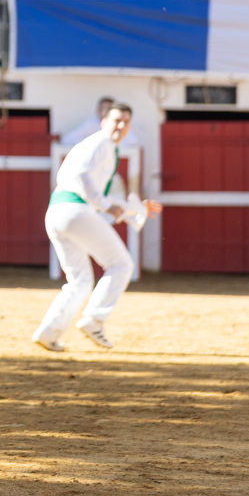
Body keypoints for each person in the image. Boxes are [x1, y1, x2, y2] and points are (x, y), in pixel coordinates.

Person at [32, 103, 163, 352]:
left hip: (58, 212)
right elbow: (84, 178)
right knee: (121, 264)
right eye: (117, 120)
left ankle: (48, 332)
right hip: (75, 210)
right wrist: (105, 205)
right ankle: (94, 320)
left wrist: (133, 208)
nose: (121, 126)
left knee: (80, 280)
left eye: (126, 121)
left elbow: (92, 188)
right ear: (103, 122)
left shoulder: (103, 146)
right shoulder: (100, 143)